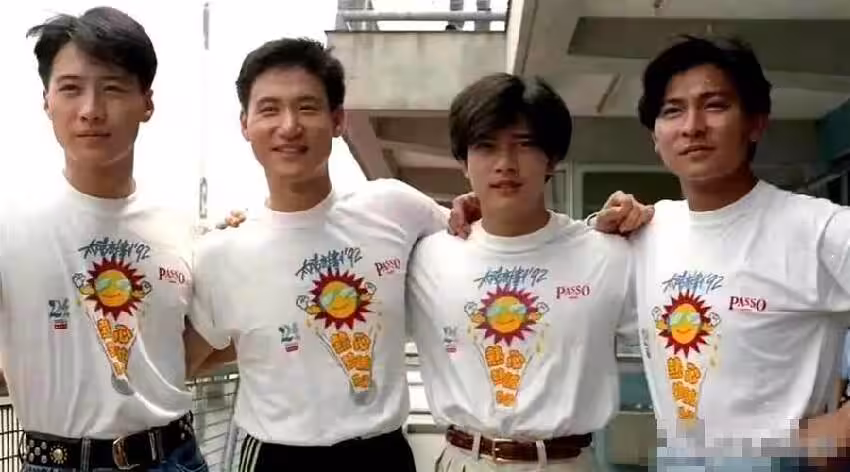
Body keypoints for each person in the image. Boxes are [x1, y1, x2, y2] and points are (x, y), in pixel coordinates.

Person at [186, 37, 449, 471]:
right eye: (269, 109)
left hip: (382, 455)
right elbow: (182, 361)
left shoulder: (395, 208)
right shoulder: (222, 252)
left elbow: (484, 245)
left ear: (338, 119)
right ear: (245, 124)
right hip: (277, 458)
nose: (289, 126)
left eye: (307, 107)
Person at [591, 36, 850, 468]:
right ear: (655, 137)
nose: (692, 126)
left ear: (756, 123)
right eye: (672, 111)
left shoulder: (818, 229)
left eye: (714, 105)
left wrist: (839, 429)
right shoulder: (647, 232)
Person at [1, 7, 207, 471]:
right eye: (71, 88)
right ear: (47, 100)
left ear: (147, 102)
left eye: (112, 88)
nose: (91, 110)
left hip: (174, 456)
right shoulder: (9, 223)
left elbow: (206, 338)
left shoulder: (182, 228)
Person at [406, 73, 636, 471]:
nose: (505, 164)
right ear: (463, 162)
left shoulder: (607, 254)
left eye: (525, 145)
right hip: (465, 460)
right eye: (486, 146)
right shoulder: (426, 257)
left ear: (552, 159)